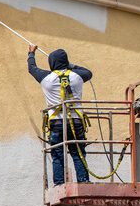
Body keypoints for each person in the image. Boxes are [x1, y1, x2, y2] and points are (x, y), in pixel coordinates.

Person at [28, 45, 93, 185]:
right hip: (76, 122)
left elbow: (32, 69)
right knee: (78, 153)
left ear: (52, 63)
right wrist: (70, 65)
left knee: (57, 154)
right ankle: (83, 180)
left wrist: (31, 53)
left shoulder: (46, 78)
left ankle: (59, 183)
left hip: (57, 123)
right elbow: (88, 72)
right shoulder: (77, 76)